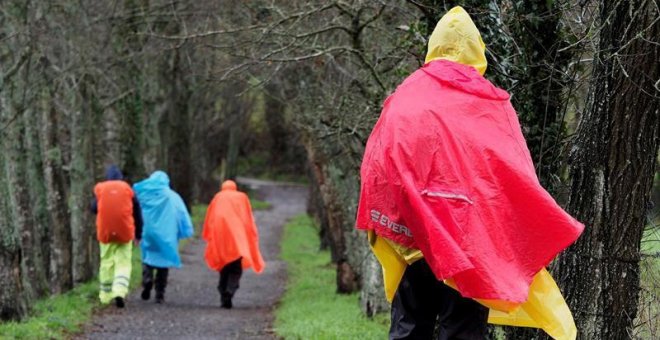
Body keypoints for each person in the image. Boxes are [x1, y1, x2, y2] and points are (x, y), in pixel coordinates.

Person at [355, 6, 584, 340]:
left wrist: (395, 221)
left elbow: (377, 165)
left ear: (434, 45)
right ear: (477, 49)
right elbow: (512, 174)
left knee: (409, 326)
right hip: (468, 243)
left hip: (412, 238)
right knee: (461, 329)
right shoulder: (490, 103)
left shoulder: (405, 95)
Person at [202, 180, 265, 309]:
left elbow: (210, 218)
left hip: (220, 238)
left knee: (224, 267)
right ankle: (230, 290)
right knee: (235, 268)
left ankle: (223, 292)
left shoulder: (217, 197)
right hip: (237, 238)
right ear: (235, 188)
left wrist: (209, 235)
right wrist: (249, 235)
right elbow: (247, 218)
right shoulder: (242, 197)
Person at [133, 170, 193, 304]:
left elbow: (135, 211)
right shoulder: (172, 196)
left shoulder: (143, 194)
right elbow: (181, 214)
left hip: (147, 232)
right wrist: (186, 231)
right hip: (166, 234)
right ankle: (160, 294)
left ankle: (147, 281)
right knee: (163, 264)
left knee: (148, 258)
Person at [91, 165, 143, 308]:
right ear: (121, 177)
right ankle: (119, 291)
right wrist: (138, 234)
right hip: (125, 232)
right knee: (123, 262)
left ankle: (105, 296)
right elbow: (137, 213)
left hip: (105, 232)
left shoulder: (101, 189)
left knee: (107, 262)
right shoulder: (127, 189)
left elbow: (93, 208)